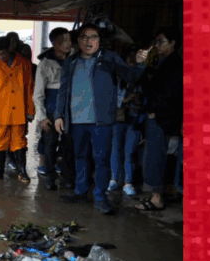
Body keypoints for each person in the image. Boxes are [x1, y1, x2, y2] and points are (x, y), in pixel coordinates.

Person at [54, 23, 149, 214]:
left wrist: (140, 63)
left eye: (93, 37)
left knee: (101, 160)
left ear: (99, 40)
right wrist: (58, 115)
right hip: (76, 120)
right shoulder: (71, 62)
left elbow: (130, 76)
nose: (89, 41)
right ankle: (81, 191)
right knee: (80, 157)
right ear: (78, 41)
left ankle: (100, 197)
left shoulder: (109, 58)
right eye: (84, 37)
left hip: (101, 121)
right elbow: (63, 90)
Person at [134, 27, 183, 211]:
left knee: (156, 158)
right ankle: (156, 195)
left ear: (173, 43)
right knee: (152, 157)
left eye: (161, 41)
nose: (157, 45)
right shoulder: (163, 62)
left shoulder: (175, 65)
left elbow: (171, 94)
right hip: (157, 117)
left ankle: (157, 199)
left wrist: (155, 111)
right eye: (157, 42)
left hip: (163, 119)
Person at [0, 36, 34, 182]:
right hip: (0, 112)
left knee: (20, 141)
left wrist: (30, 110)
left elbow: (29, 88)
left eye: (2, 53)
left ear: (9, 49)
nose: (0, 57)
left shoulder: (24, 63)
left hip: (19, 111)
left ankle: (22, 170)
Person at [33, 27, 71, 190]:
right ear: (55, 43)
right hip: (50, 110)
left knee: (69, 144)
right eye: (64, 41)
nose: (68, 44)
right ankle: (49, 176)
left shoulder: (74, 60)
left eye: (69, 40)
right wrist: (42, 117)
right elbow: (38, 94)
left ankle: (67, 177)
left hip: (71, 109)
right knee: (50, 144)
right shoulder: (45, 64)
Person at [109, 46, 144, 198]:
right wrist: (124, 100)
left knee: (130, 151)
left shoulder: (142, 76)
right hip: (118, 117)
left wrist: (138, 100)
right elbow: (109, 96)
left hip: (134, 117)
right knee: (116, 149)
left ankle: (128, 182)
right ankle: (114, 179)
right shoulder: (117, 76)